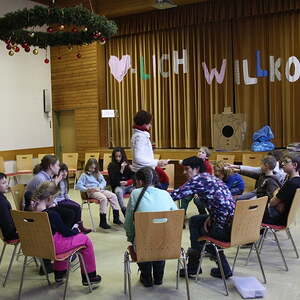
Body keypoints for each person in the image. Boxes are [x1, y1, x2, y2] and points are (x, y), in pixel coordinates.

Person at [170, 156, 235, 279]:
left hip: (224, 229)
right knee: (195, 220)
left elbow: (175, 195)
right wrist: (211, 216)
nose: (184, 172)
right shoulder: (209, 177)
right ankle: (214, 267)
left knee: (200, 235)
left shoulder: (198, 179)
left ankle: (194, 268)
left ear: (197, 169)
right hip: (235, 224)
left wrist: (153, 192)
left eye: (186, 169)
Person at [31, 181, 101, 285]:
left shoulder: (30, 211)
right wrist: (76, 229)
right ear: (49, 198)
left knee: (61, 239)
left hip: (37, 246)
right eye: (54, 198)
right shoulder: (51, 214)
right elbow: (66, 232)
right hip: (53, 247)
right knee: (85, 240)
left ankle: (60, 274)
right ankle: (90, 276)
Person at [124, 167, 177, 287]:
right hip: (168, 245)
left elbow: (128, 223)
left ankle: (146, 276)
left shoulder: (135, 193)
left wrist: (131, 238)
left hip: (143, 246)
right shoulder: (165, 194)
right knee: (160, 239)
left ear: (140, 182)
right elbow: (176, 217)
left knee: (143, 240)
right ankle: (158, 278)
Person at [75, 158, 122, 229]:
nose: (92, 170)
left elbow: (103, 182)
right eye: (91, 168)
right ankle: (102, 222)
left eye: (94, 168)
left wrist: (100, 187)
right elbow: (78, 185)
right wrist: (87, 189)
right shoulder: (84, 175)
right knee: (103, 198)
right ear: (87, 166)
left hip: (99, 190)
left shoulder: (97, 173)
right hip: (91, 192)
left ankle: (116, 218)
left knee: (113, 196)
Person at [263, 153, 300, 225]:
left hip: (281, 219)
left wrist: (276, 192)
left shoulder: (290, 183)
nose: (282, 164)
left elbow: (272, 203)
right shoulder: (296, 181)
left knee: (253, 214)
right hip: (294, 219)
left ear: (295, 165)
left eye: (286, 161)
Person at [54, 163, 91, 234]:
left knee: (77, 206)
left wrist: (70, 200)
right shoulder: (56, 181)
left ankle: (78, 226)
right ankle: (75, 227)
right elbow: (54, 195)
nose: (65, 173)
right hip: (58, 202)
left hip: (64, 199)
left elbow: (65, 194)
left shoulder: (65, 181)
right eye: (62, 171)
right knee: (74, 209)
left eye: (66, 171)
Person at [108, 147, 134, 217]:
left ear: (123, 156)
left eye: (119, 156)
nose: (118, 158)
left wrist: (127, 182)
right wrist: (121, 170)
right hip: (118, 186)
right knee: (118, 192)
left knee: (135, 191)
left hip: (128, 186)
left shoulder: (128, 164)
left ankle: (134, 210)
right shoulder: (111, 166)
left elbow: (134, 177)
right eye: (116, 156)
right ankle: (124, 210)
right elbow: (113, 181)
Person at [0, 173, 18, 241]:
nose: (7, 184)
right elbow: (7, 224)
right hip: (11, 234)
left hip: (10, 231)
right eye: (4, 183)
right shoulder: (2, 203)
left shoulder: (2, 197)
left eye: (6, 182)